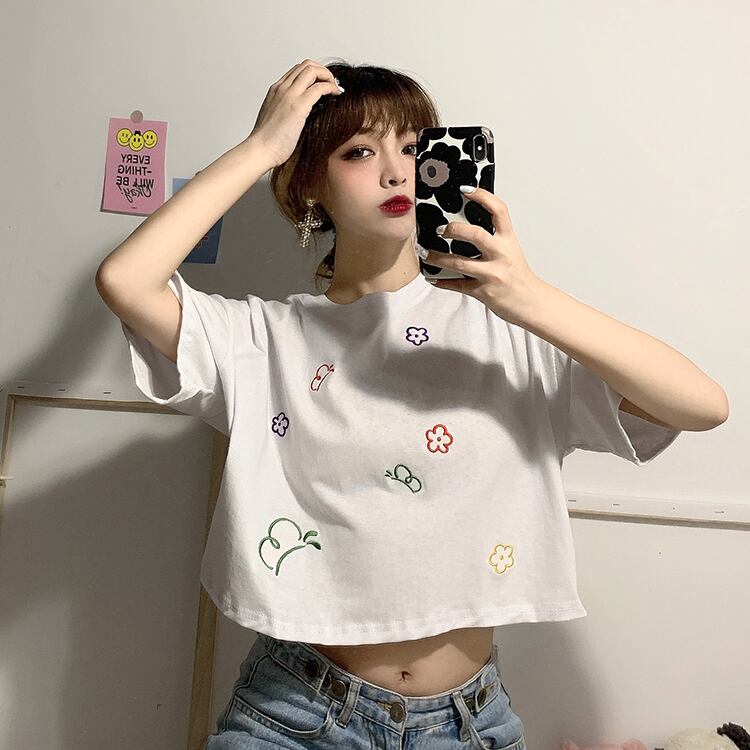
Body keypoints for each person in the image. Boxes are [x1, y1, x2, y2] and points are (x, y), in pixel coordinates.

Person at [95, 58, 704, 749]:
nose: (396, 173)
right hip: (294, 715)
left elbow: (698, 405)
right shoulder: (263, 338)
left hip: (467, 727)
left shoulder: (510, 330)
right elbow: (126, 280)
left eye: (414, 149)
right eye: (359, 152)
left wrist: (527, 296)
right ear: (310, 183)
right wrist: (262, 147)